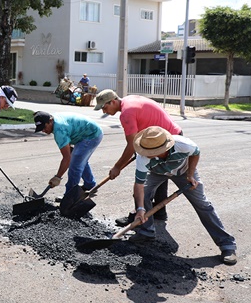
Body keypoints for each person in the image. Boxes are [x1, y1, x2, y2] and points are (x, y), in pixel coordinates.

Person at [129, 126, 237, 265]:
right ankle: (146, 231)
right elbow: (139, 185)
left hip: (183, 171)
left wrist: (190, 174)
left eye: (152, 152)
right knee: (143, 195)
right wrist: (140, 209)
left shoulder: (183, 145)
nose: (147, 154)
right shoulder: (143, 157)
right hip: (158, 172)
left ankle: (227, 245)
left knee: (202, 204)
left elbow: (196, 153)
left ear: (164, 148)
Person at [94, 89, 182, 226]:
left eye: (104, 107)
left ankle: (139, 215)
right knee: (160, 174)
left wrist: (117, 167)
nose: (104, 112)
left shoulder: (126, 113)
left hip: (164, 141)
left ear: (112, 102)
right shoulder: (129, 100)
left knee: (145, 181)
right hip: (172, 134)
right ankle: (159, 211)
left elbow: (131, 145)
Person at [33, 111, 103, 195]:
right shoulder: (55, 122)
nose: (43, 130)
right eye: (41, 129)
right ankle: (90, 185)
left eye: (44, 127)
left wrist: (57, 177)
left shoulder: (59, 130)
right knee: (79, 159)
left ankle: (70, 196)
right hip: (85, 133)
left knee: (75, 165)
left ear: (50, 121)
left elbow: (67, 158)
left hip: (91, 135)